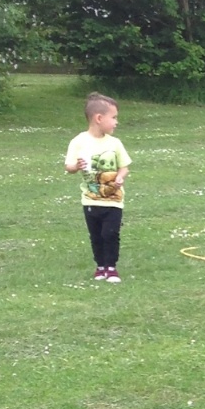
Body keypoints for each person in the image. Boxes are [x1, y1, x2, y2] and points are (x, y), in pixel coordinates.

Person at [63, 93, 131, 283]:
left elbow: (124, 167)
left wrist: (120, 177)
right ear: (99, 118)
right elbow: (69, 167)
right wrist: (76, 166)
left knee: (110, 234)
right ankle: (100, 267)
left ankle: (111, 267)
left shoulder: (115, 143)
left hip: (114, 200)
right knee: (96, 235)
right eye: (114, 117)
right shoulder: (78, 142)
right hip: (90, 199)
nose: (116, 122)